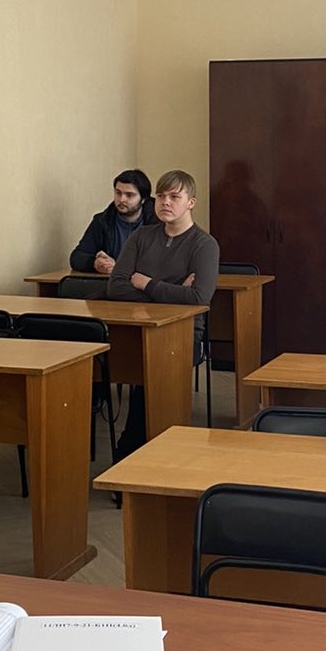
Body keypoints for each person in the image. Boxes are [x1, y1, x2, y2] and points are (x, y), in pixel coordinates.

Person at [107, 170, 220, 455]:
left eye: (174, 197)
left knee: (151, 369)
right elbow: (116, 286)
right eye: (160, 196)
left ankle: (132, 450)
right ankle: (133, 450)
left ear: (191, 203)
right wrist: (173, 291)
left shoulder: (204, 245)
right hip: (136, 328)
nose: (165, 202)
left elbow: (198, 298)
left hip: (181, 336)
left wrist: (146, 283)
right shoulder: (141, 236)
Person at [69, 169, 156, 275]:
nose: (122, 199)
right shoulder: (102, 221)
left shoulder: (158, 224)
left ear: (143, 199)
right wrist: (95, 263)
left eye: (129, 195)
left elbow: (163, 264)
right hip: (109, 282)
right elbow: (77, 257)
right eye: (118, 193)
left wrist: (119, 267)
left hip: (143, 283)